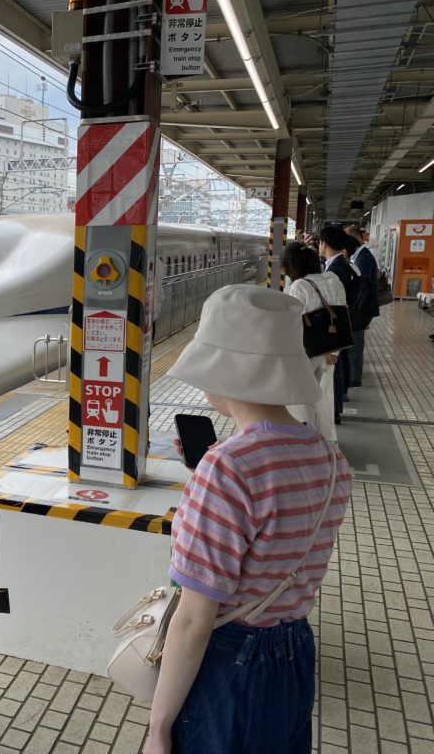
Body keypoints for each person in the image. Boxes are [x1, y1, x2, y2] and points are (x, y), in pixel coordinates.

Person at [144, 285, 353, 754]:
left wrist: (158, 729)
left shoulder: (228, 468)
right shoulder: (330, 459)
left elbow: (194, 622)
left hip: (229, 662)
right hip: (295, 652)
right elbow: (276, 525)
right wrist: (209, 476)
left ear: (225, 371)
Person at [281, 242, 345, 439]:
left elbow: (292, 323)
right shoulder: (332, 280)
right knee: (324, 399)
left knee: (301, 400)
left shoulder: (299, 286)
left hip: (306, 351)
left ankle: (305, 439)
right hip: (329, 350)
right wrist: (333, 350)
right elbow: (341, 314)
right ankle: (327, 440)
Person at [317, 226, 356, 415]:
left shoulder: (337, 269)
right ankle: (336, 406)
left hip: (338, 323)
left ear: (324, 244)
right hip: (343, 322)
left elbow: (336, 302)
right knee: (338, 363)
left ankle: (334, 410)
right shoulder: (341, 264)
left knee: (336, 364)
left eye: (319, 242)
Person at [344, 225, 380, 387]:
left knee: (356, 343)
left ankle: (354, 378)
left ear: (356, 237)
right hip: (361, 307)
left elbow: (362, 287)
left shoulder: (363, 258)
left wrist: (360, 312)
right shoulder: (361, 255)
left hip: (361, 307)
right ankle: (353, 375)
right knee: (355, 342)